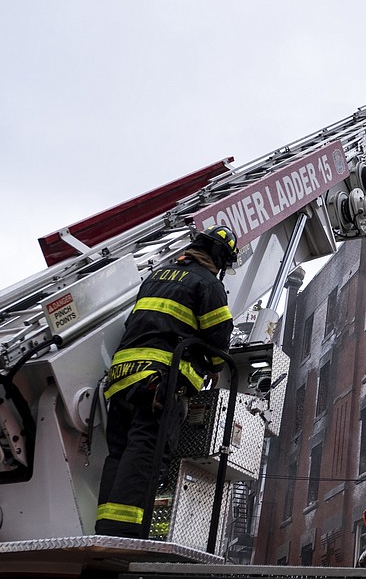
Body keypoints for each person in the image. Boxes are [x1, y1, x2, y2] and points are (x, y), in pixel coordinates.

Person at [95, 225, 238, 538]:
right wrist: (214, 366)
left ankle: (106, 528)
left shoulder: (157, 276)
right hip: (160, 380)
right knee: (147, 450)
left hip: (121, 378)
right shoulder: (207, 282)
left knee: (118, 453)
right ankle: (128, 533)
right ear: (218, 257)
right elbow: (218, 335)